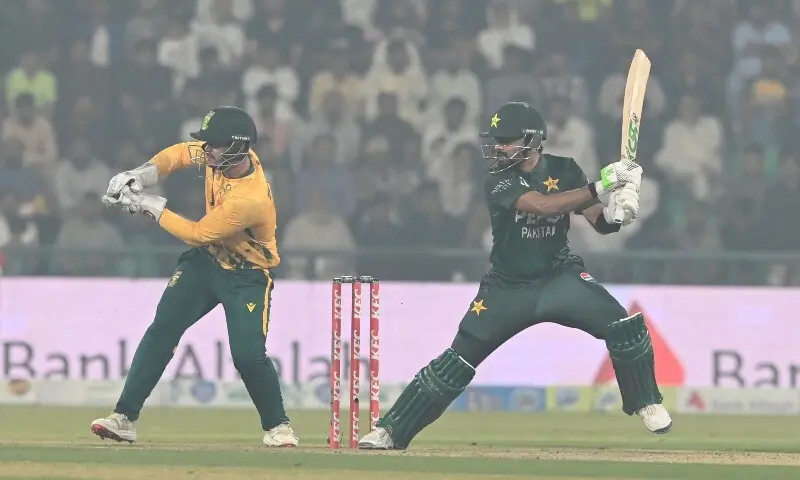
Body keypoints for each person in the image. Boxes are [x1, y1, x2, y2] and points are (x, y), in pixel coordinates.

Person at [358, 101, 671, 450]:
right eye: (497, 139)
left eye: (506, 140)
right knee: (455, 360)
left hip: (560, 278)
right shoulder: (499, 178)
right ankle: (391, 430)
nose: (498, 147)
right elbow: (543, 205)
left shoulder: (566, 169)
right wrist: (605, 183)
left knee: (624, 326)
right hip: (507, 288)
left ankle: (647, 401)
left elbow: (599, 222)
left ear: (533, 140)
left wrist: (619, 212)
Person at [91, 106, 298, 447]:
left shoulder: (250, 198)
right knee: (162, 330)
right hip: (206, 264)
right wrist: (139, 175)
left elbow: (198, 233)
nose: (207, 150)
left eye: (214, 144)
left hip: (246, 276)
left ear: (235, 147)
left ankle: (278, 427)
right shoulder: (221, 157)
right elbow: (176, 155)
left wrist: (148, 204)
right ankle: (123, 418)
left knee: (247, 355)